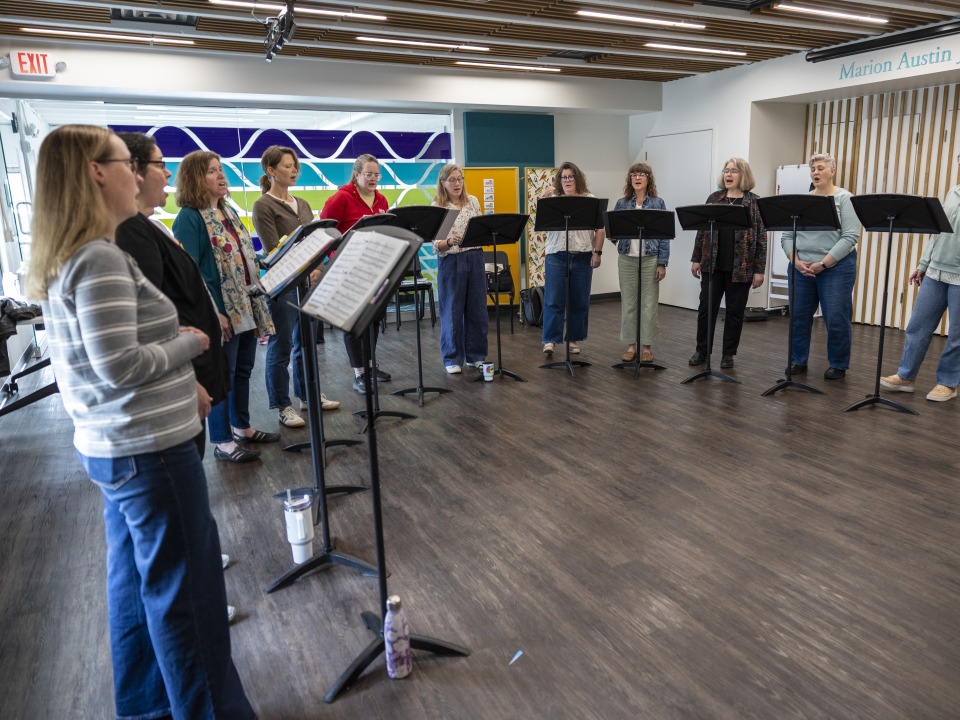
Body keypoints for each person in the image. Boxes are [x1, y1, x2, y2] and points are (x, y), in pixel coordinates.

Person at [26, 124, 256, 719]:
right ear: (97, 172)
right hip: (147, 448)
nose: (138, 172)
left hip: (119, 448)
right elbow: (121, 366)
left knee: (135, 590)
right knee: (188, 599)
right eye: (128, 162)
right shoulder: (99, 258)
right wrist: (189, 344)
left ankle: (148, 708)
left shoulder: (77, 254)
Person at [173, 150, 278, 462]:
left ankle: (241, 427)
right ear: (195, 179)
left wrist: (270, 260)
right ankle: (222, 442)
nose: (220, 176)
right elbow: (191, 273)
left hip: (245, 303)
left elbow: (242, 256)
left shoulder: (228, 210)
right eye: (211, 171)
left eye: (220, 169)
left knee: (243, 370)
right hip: (219, 310)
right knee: (223, 375)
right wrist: (214, 312)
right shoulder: (189, 218)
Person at [252, 145, 340, 426]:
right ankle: (282, 405)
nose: (293, 171)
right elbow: (272, 249)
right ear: (271, 170)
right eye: (287, 166)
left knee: (306, 343)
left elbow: (315, 240)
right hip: (284, 284)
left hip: (308, 281)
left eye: (295, 166)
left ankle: (308, 395)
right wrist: (305, 267)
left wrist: (316, 267)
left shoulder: (301, 203)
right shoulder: (262, 205)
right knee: (282, 346)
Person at [780, 152, 861, 379]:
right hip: (801, 267)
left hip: (836, 268)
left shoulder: (845, 199)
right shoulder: (802, 201)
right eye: (813, 169)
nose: (816, 172)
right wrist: (795, 261)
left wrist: (823, 265)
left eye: (821, 168)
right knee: (798, 317)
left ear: (832, 171)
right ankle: (797, 361)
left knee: (836, 317)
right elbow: (787, 236)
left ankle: (838, 364)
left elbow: (850, 237)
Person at [880, 174, 960, 402]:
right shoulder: (953, 191)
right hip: (936, 271)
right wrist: (923, 264)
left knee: (957, 335)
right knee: (917, 326)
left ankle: (948, 383)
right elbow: (938, 232)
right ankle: (906, 377)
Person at [320, 153, 393, 393]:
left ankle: (370, 366)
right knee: (354, 322)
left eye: (376, 174)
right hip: (348, 269)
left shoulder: (381, 199)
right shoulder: (341, 198)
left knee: (373, 319)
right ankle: (359, 374)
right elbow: (325, 231)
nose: (373, 179)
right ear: (357, 175)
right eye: (368, 174)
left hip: (376, 268)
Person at [688, 157, 766, 369]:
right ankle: (701, 350)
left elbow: (761, 238)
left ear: (744, 175)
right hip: (711, 265)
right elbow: (702, 231)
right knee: (706, 309)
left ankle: (728, 354)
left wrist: (759, 270)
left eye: (734, 171)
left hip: (741, 267)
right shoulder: (714, 198)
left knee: (734, 311)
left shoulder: (754, 202)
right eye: (726, 170)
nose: (728, 175)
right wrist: (696, 258)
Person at [541, 161, 605, 355]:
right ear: (559, 180)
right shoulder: (553, 198)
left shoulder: (589, 199)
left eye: (571, 176)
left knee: (579, 300)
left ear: (578, 178)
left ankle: (574, 339)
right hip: (556, 254)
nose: (567, 180)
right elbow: (542, 223)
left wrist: (597, 252)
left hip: (583, 255)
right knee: (553, 299)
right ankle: (550, 339)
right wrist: (544, 198)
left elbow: (600, 229)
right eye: (564, 177)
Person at [431, 163, 487, 373]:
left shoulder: (472, 201)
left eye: (459, 179)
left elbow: (480, 229)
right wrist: (449, 242)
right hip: (451, 260)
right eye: (452, 180)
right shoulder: (439, 206)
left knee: (477, 309)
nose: (457, 183)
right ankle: (452, 359)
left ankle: (476, 356)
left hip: (475, 257)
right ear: (443, 183)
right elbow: (437, 245)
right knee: (452, 310)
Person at [612, 162, 668, 363]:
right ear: (630, 179)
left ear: (648, 179)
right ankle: (631, 346)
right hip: (627, 259)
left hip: (650, 259)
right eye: (634, 174)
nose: (637, 178)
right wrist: (614, 234)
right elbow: (614, 233)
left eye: (641, 175)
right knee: (628, 304)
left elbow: (664, 236)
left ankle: (646, 348)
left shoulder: (658, 203)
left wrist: (662, 263)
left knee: (649, 305)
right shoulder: (622, 203)